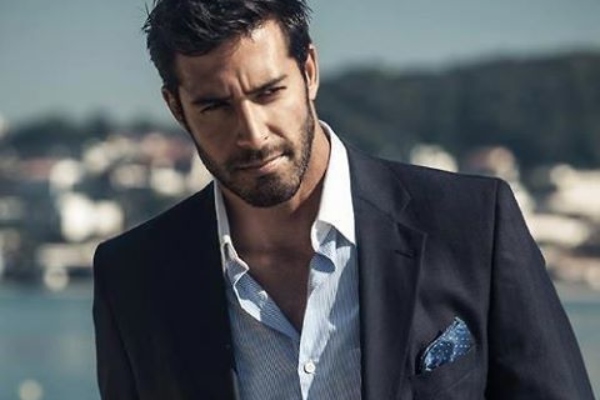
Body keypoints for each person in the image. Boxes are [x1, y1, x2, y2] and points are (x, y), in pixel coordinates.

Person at [92, 0, 594, 399]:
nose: (252, 134)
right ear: (176, 107)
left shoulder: (472, 225)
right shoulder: (132, 279)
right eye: (215, 107)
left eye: (269, 93)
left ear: (309, 71)